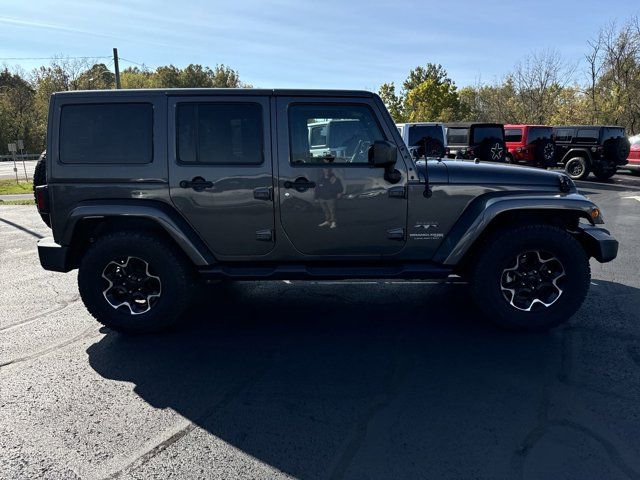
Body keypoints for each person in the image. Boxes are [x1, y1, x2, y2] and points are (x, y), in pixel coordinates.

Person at [315, 160, 343, 229]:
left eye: (328, 169)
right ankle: (327, 221)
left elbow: (340, 188)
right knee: (326, 211)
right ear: (323, 170)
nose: (327, 170)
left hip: (331, 198)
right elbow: (317, 189)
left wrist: (339, 193)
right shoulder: (320, 180)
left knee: (332, 211)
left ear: (331, 170)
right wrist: (316, 198)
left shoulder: (335, 179)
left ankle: (334, 223)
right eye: (325, 169)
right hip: (322, 198)